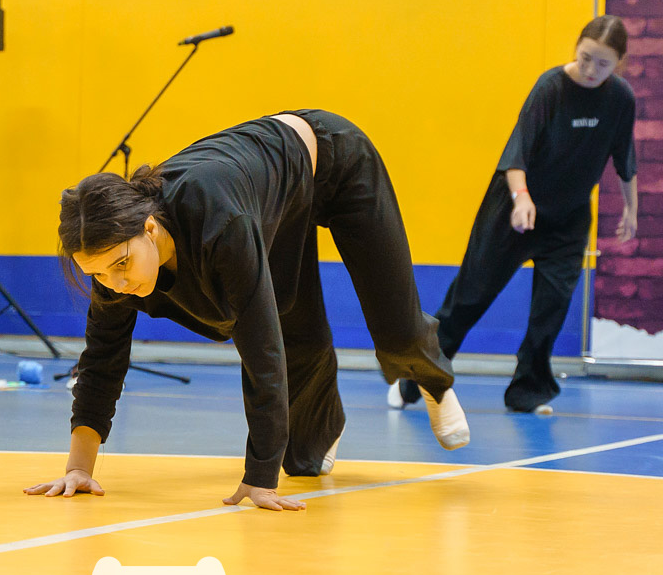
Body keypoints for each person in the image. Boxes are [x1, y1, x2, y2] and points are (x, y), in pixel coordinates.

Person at [25, 110, 469, 512]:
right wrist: (79, 467)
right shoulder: (110, 258)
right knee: (303, 454)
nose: (116, 283)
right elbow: (102, 357)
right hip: (274, 199)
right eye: (97, 274)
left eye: (122, 265)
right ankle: (326, 423)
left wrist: (259, 477)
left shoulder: (219, 222)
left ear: (150, 227)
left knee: (396, 329)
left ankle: (434, 380)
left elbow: (260, 347)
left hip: (333, 162)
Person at [391, 15, 638, 415]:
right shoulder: (550, 87)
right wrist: (522, 199)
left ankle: (528, 391)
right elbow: (517, 152)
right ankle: (415, 380)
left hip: (568, 219)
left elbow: (625, 156)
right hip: (513, 209)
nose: (592, 70)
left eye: (603, 64)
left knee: (551, 308)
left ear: (619, 63)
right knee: (469, 299)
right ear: (576, 47)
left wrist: (632, 207)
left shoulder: (621, 99)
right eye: (585, 58)